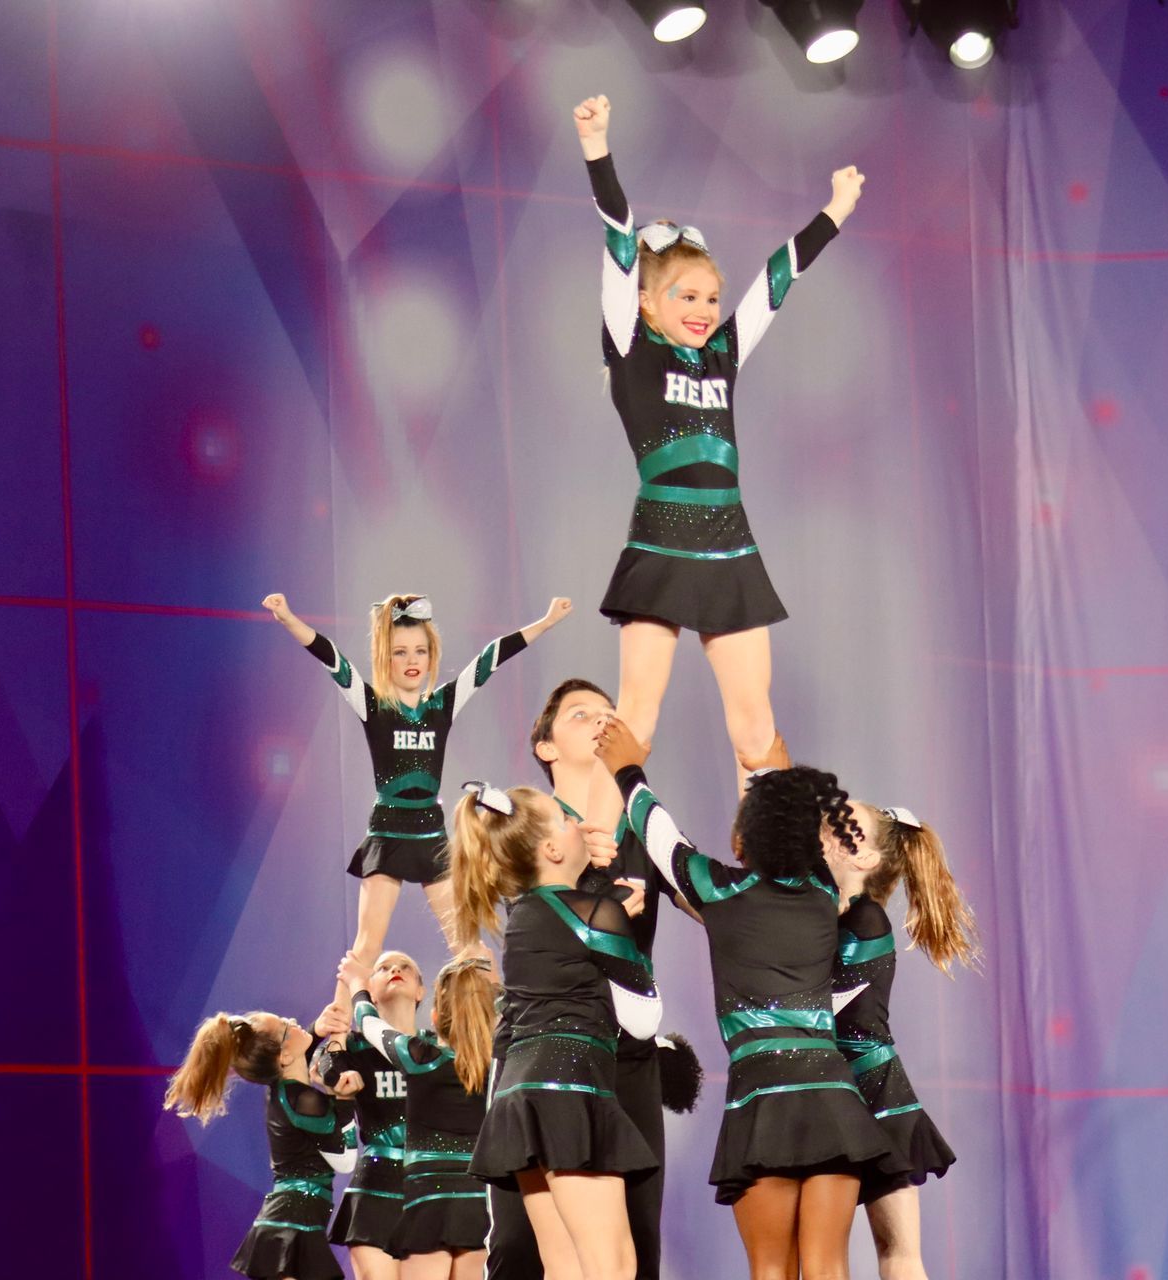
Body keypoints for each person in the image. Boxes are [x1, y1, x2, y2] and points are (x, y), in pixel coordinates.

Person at [572, 91, 865, 789]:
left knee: (756, 728)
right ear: (647, 303)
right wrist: (597, 148)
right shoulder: (630, 347)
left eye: (710, 298)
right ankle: (615, 868)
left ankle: (776, 873)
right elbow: (619, 237)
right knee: (636, 717)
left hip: (729, 543)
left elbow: (777, 278)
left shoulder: (725, 353)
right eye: (687, 297)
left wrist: (834, 214)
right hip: (663, 541)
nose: (706, 311)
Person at [596, 717, 891, 1280]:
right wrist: (768, 773)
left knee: (770, 1269)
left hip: (764, 1101)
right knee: (829, 1267)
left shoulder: (720, 891)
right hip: (834, 1097)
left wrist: (627, 770)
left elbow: (661, 840)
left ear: (740, 843)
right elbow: (789, 832)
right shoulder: (822, 893)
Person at [262, 591, 571, 1003]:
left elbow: (491, 658)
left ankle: (498, 1029)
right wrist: (287, 617)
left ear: (431, 655)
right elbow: (329, 655)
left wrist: (546, 622)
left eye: (420, 651)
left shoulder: (442, 704)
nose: (412, 661)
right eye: (400, 652)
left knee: (468, 944)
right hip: (387, 834)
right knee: (366, 947)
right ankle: (335, 1037)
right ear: (384, 658)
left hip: (430, 836)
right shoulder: (373, 703)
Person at [484, 678, 694, 1279]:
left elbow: (712, 900)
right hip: (546, 1056)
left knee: (635, 1243)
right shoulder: (527, 829)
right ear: (545, 746)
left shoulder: (647, 829)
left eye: (609, 714)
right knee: (524, 1246)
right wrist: (587, 892)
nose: (600, 721)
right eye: (580, 715)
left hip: (626, 1056)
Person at [445, 778, 662, 1280]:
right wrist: (618, 935)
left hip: (520, 1095)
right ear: (551, 847)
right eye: (565, 818)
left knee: (562, 1263)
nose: (578, 821)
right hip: (570, 1091)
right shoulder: (597, 912)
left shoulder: (520, 913)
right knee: (613, 1265)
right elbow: (643, 1019)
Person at [828, 802, 979, 1280]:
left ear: (866, 859)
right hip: (829, 1090)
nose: (825, 824)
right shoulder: (822, 914)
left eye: (842, 825)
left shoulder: (866, 919)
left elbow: (822, 1008)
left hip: (873, 1090)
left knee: (899, 1251)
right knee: (824, 1254)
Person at [165, 1003, 357, 1279]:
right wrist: (344, 1102)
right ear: (284, 1054)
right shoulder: (304, 1099)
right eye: (285, 1025)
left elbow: (291, 1058)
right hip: (294, 1227)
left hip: (287, 1223)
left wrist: (317, 1030)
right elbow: (346, 1159)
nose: (293, 1019)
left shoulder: (282, 1090)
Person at [340, 954, 500, 1280]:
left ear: (435, 1015)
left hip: (428, 1204)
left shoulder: (420, 1058)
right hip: (479, 1203)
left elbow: (370, 1024)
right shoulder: (496, 1065)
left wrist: (358, 989)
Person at [319, 951, 427, 1280]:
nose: (395, 969)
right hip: (375, 1192)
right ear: (369, 993)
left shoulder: (437, 1050)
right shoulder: (354, 1047)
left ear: (421, 991)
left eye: (405, 966)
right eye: (382, 968)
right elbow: (327, 1071)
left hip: (433, 1187)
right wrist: (331, 1035)